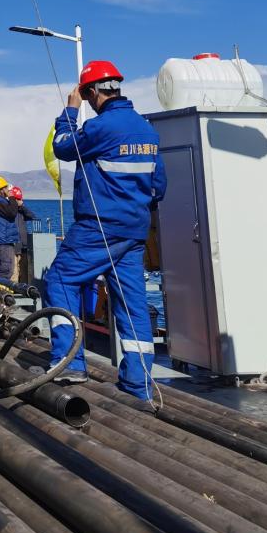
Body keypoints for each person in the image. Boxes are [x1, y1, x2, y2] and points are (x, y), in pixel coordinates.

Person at [42, 61, 166, 399]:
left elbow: (63, 146)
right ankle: (138, 383)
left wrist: (70, 110)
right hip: (134, 232)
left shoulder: (100, 127)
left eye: (86, 95)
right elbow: (159, 186)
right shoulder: (146, 130)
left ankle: (69, 363)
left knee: (61, 279)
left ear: (93, 92)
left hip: (98, 228)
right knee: (132, 303)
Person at [8, 186, 38, 284]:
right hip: (13, 246)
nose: (18, 201)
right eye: (16, 199)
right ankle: (13, 289)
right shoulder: (8, 211)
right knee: (14, 272)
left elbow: (33, 217)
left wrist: (22, 207)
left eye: (19, 199)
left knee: (24, 271)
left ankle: (24, 289)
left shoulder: (22, 211)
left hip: (24, 247)